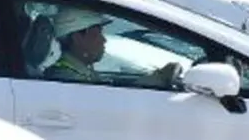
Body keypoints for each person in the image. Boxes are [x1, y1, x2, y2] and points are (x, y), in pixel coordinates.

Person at [45, 7, 182, 87]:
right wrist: (158, 78)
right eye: (97, 34)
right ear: (77, 38)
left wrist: (157, 77)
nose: (104, 40)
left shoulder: (79, 72)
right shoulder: (69, 79)